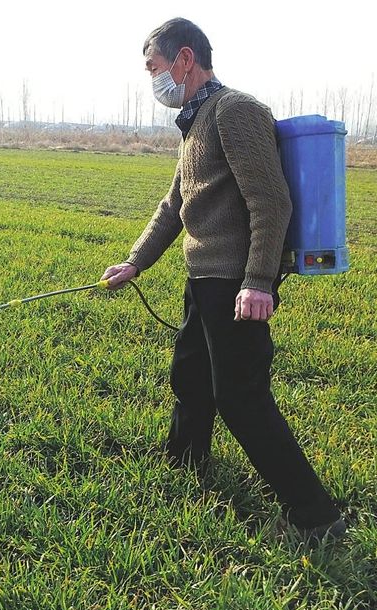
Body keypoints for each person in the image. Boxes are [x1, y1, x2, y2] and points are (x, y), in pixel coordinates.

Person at [101, 17, 345, 543]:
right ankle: (186, 464)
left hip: (236, 281)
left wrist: (258, 281)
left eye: (155, 68)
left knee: (241, 396)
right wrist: (135, 261)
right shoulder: (196, 121)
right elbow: (175, 204)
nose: (153, 80)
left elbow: (270, 200)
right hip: (203, 277)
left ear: (184, 60)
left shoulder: (235, 111)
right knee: (190, 379)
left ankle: (315, 516)